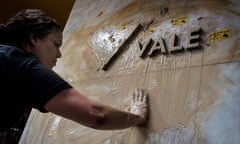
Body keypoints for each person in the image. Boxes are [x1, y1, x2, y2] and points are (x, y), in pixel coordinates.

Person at [0, 9, 149, 143]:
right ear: (34, 39)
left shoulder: (6, 56)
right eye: (56, 44)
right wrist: (137, 116)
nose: (59, 54)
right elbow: (96, 116)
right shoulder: (20, 63)